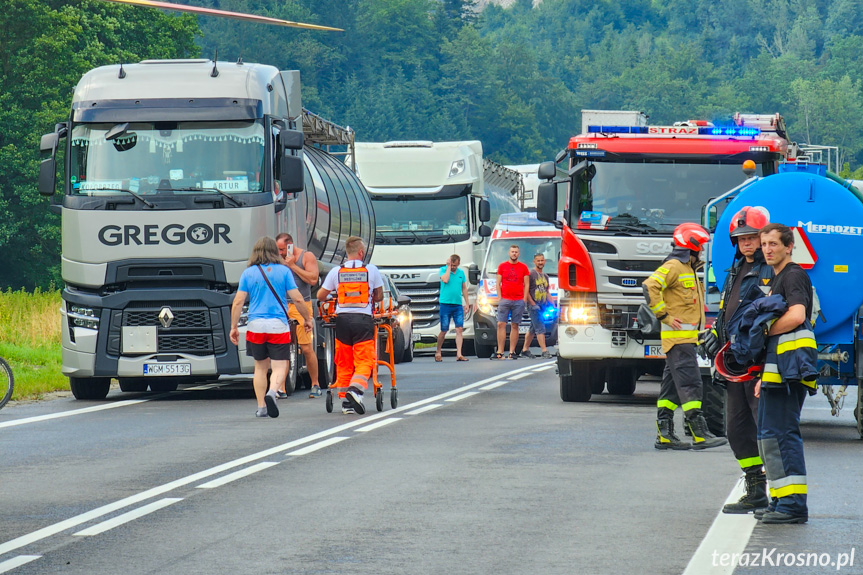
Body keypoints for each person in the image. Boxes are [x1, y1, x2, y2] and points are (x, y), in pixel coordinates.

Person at [710, 207, 774, 514]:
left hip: (758, 365)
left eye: (752, 238)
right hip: (734, 365)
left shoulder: (771, 272)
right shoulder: (735, 271)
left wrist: (767, 366)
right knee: (736, 430)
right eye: (741, 239)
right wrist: (714, 335)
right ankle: (755, 488)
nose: (746, 244)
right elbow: (729, 313)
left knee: (767, 430)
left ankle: (780, 496)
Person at [643, 223, 727, 450]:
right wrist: (664, 316)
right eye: (699, 246)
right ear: (691, 245)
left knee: (670, 390)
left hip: (685, 339)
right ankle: (699, 434)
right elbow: (650, 285)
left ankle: (665, 435)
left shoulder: (688, 268)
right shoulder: (674, 266)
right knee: (691, 383)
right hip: (678, 340)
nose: (701, 250)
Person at [755, 223, 817, 525]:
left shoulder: (793, 275)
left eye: (774, 244)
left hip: (790, 371)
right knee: (768, 435)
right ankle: (780, 498)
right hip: (776, 371)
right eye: (764, 244)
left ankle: (793, 505)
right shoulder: (777, 276)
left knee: (782, 434)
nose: (768, 249)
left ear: (789, 246)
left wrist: (763, 330)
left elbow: (797, 315)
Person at [230, 237, 313, 418]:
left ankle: (261, 407)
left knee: (260, 367)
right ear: (275, 252)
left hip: (255, 325)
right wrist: (307, 319)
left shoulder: (248, 273)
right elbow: (298, 298)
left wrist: (233, 327)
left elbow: (238, 302)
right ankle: (272, 392)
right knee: (280, 365)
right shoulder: (284, 271)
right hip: (278, 325)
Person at [316, 236, 384, 415]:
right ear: (361, 252)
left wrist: (336, 296)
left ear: (347, 253)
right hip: (363, 320)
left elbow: (321, 295)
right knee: (365, 360)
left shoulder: (336, 272)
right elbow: (379, 296)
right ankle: (355, 390)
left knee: (344, 361)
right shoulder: (371, 270)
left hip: (342, 320)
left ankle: (347, 403)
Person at [276, 233, 321, 398]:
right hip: (282, 304)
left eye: (282, 249)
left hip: (301, 304)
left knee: (306, 347)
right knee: (283, 347)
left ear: (290, 245)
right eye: (278, 249)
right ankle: (281, 387)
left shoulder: (306, 256)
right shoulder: (277, 258)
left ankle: (315, 383)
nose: (280, 253)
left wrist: (293, 266)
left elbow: (313, 279)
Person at [493, 245, 530, 360]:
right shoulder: (502, 266)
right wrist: (500, 297)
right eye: (512, 252)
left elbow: (527, 284)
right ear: (509, 253)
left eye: (516, 252)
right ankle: (500, 351)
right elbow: (498, 282)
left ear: (519, 254)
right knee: (501, 324)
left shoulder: (523, 267)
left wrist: (524, 299)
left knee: (515, 325)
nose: (514, 254)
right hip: (505, 299)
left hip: (518, 300)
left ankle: (512, 352)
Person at [436, 254, 470, 362]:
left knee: (459, 329)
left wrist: (467, 303)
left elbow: (464, 288)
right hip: (445, 304)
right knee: (444, 329)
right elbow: (445, 280)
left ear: (459, 263)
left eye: (455, 265)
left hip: (457, 304)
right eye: (452, 265)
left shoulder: (461, 273)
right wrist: (448, 267)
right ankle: (438, 351)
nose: (454, 267)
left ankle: (459, 353)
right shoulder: (443, 270)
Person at [520, 253, 555, 359]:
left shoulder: (545, 276)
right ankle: (544, 351)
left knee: (532, 328)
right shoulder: (531, 274)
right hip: (534, 306)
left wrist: (553, 304)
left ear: (544, 261)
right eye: (538, 261)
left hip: (542, 305)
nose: (540, 262)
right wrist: (532, 303)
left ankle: (525, 350)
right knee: (540, 328)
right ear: (534, 262)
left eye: (542, 260)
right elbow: (525, 289)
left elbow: (546, 291)